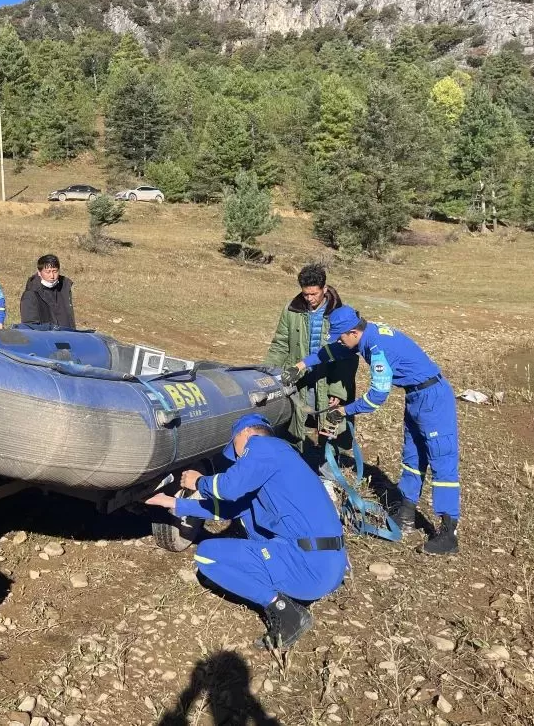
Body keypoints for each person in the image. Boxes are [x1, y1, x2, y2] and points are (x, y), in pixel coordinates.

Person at [146, 413, 347, 650]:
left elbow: (228, 489)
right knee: (239, 541)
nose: (238, 459)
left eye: (236, 449)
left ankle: (286, 612)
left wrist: (199, 482)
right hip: (328, 567)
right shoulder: (280, 465)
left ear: (247, 433)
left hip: (308, 566)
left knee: (207, 555)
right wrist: (173, 503)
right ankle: (286, 590)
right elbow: (228, 509)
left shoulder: (263, 446)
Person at [294, 306, 460, 555]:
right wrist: (301, 365)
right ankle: (406, 514)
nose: (339, 341)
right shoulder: (365, 335)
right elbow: (335, 351)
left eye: (341, 336)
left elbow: (377, 397)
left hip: (433, 400)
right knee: (412, 456)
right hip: (416, 398)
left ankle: (449, 534)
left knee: (441, 459)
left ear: (353, 332)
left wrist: (345, 410)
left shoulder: (377, 348)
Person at [264, 263, 356, 452]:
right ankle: (295, 461)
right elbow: (280, 344)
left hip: (329, 379)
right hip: (299, 377)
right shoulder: (291, 310)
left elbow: (348, 355)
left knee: (331, 428)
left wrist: (338, 391)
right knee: (293, 424)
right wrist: (268, 373)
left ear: (325, 289)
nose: (310, 298)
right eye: (306, 294)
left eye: (314, 294)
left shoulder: (341, 313)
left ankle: (330, 467)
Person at [20, 253, 76, 329]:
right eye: (48, 272)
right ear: (39, 273)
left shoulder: (65, 288)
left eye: (55, 271)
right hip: (46, 336)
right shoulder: (30, 294)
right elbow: (30, 326)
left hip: (67, 334)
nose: (52, 276)